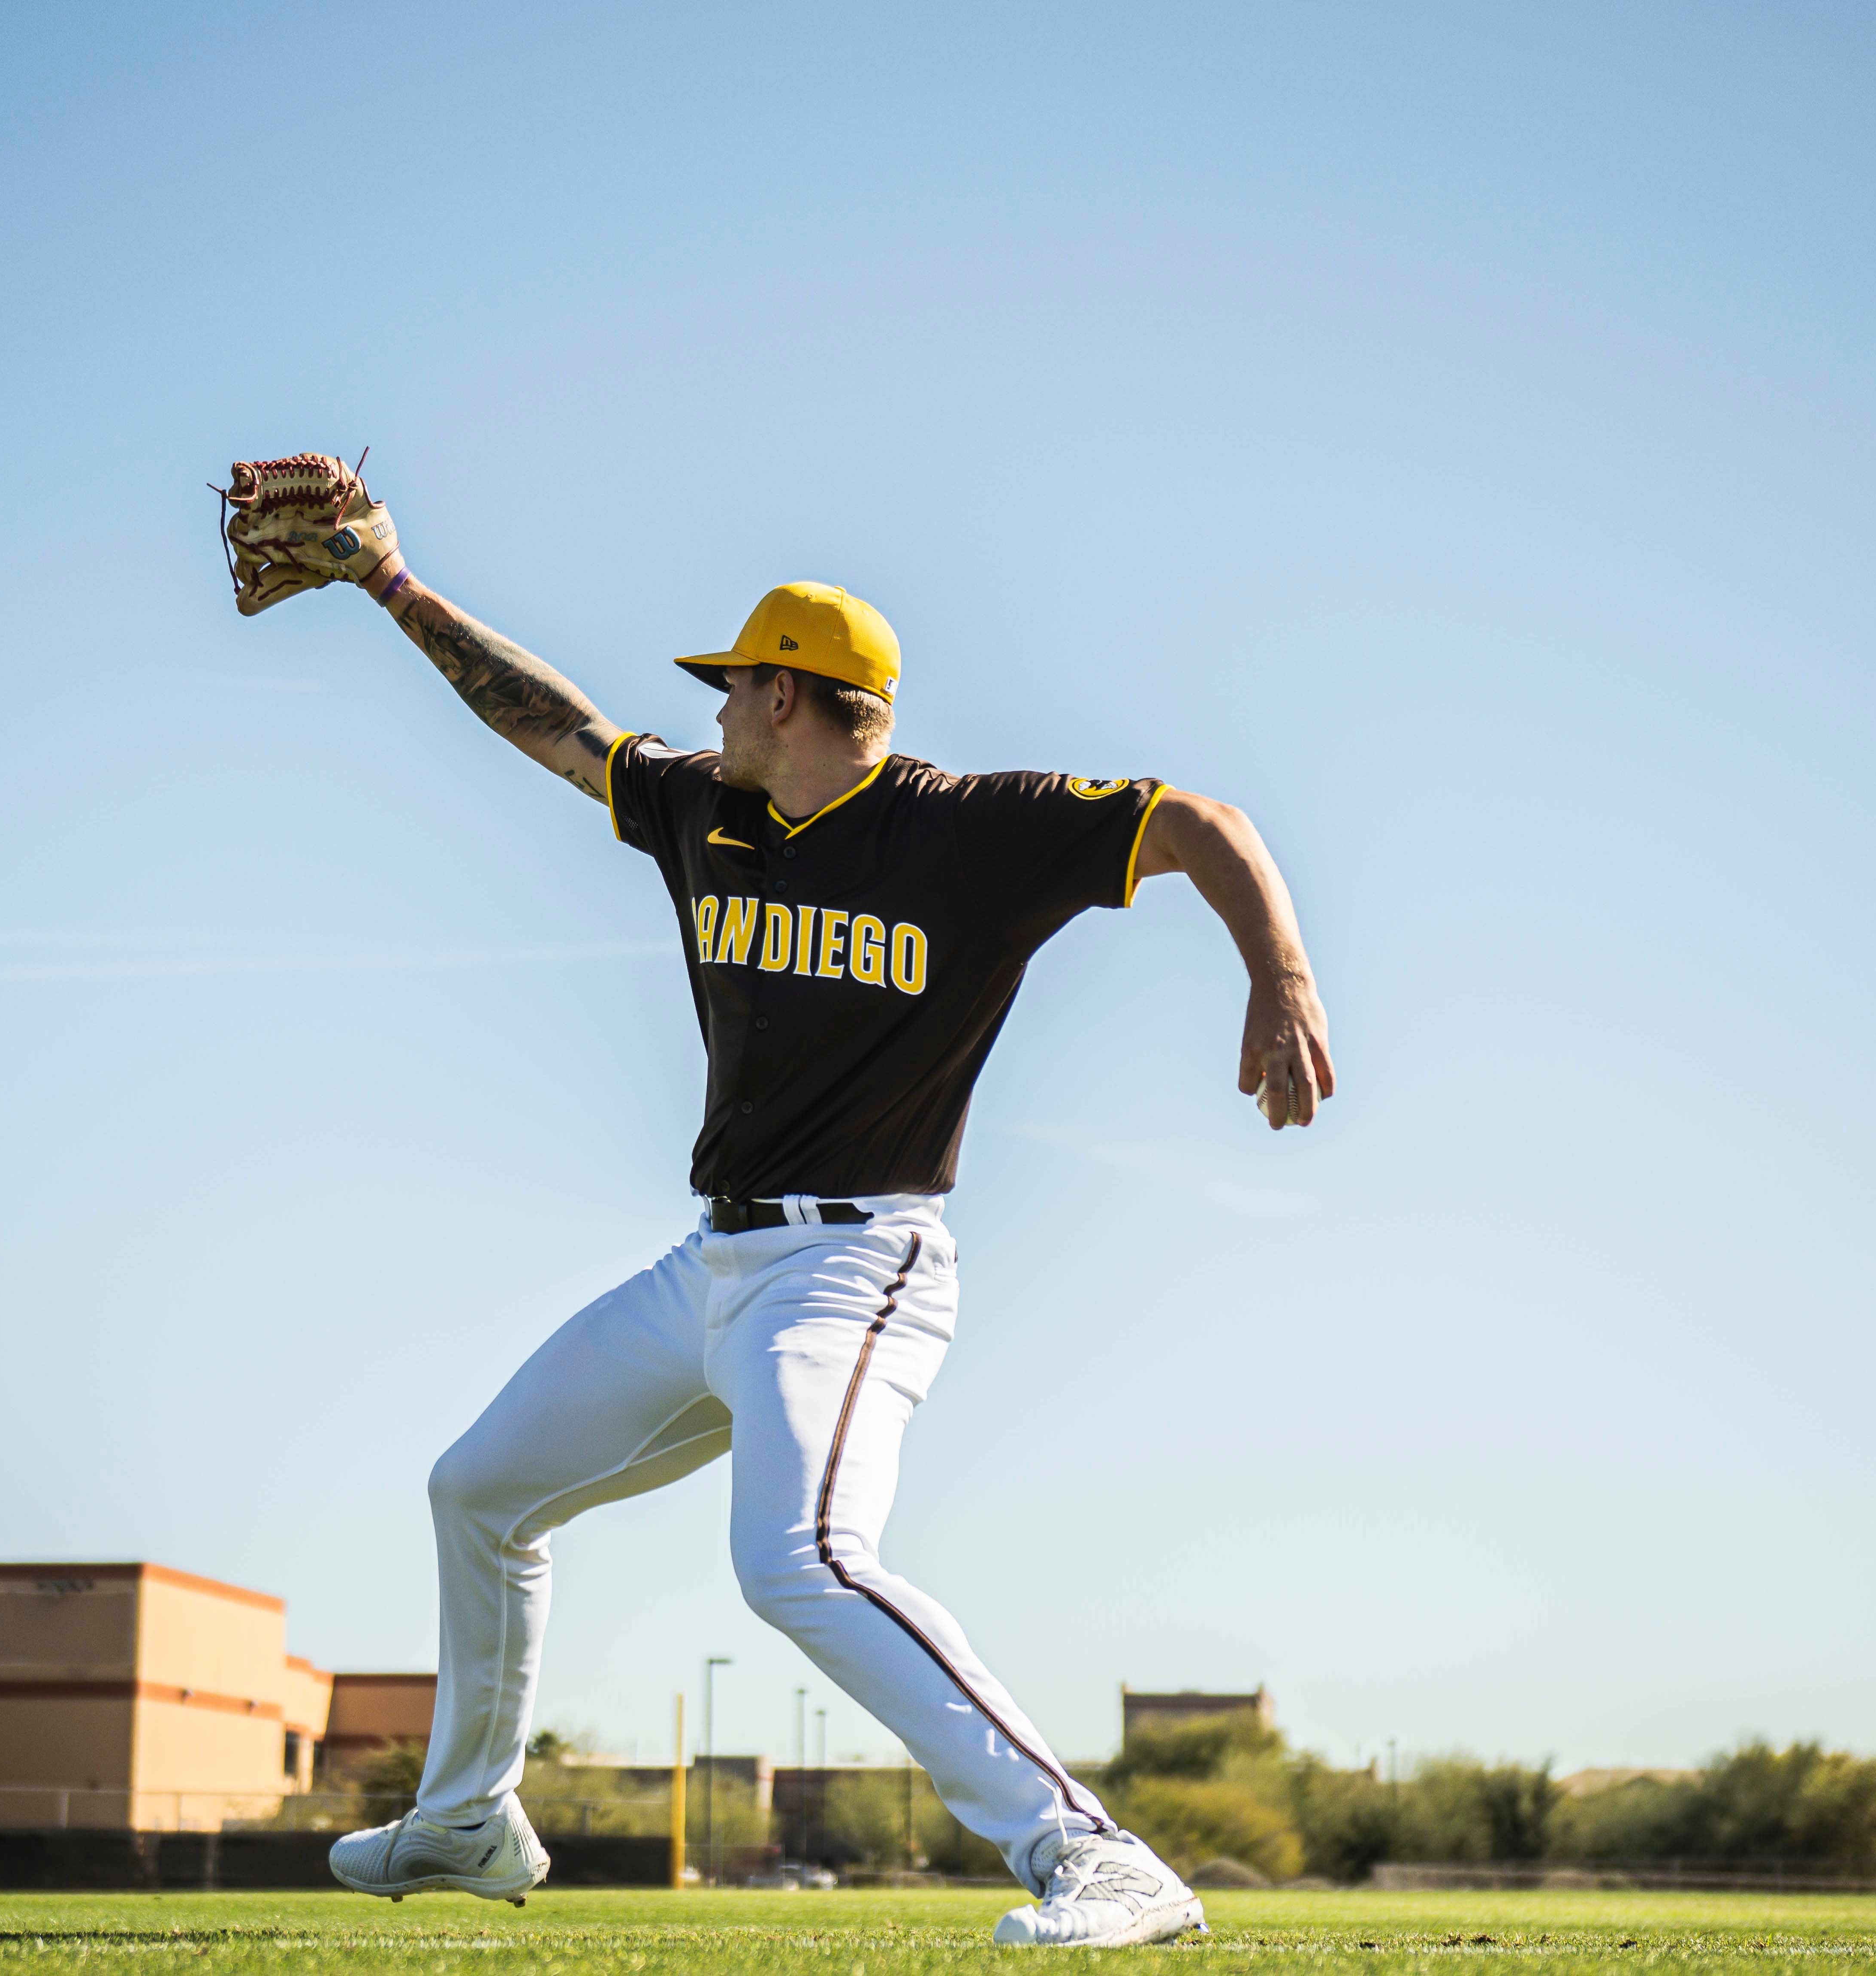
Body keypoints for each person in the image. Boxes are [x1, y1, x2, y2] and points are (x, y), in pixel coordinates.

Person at [256, 492, 1333, 1948]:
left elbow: (1204, 821)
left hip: (857, 1261)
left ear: (785, 692)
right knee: (481, 1489)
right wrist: (390, 580)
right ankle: (466, 1812)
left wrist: (1282, 972)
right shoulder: (711, 807)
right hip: (709, 1261)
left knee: (799, 1555)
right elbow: (552, 724)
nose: (715, 720)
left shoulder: (969, 830)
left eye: (735, 693)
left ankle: (1092, 1850)